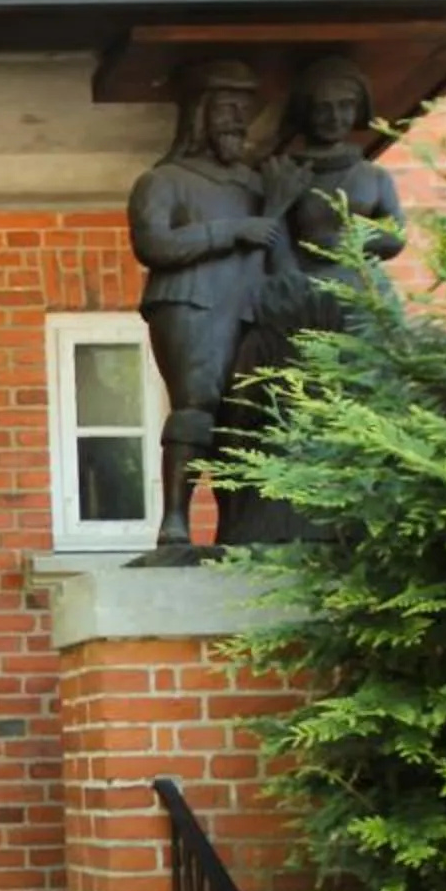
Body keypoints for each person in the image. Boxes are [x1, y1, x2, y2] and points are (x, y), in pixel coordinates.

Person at [214, 52, 407, 545]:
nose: (334, 117)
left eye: (345, 106)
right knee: (284, 392)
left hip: (358, 292)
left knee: (371, 390)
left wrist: (360, 243)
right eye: (323, 107)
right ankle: (282, 508)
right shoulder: (287, 171)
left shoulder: (371, 175)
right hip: (299, 291)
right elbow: (272, 233)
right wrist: (289, 277)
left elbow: (395, 233)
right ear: (305, 110)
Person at [126, 55, 290, 553]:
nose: (237, 120)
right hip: (190, 301)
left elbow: (279, 255)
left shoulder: (258, 185)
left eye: (244, 109)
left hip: (246, 305)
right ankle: (175, 520)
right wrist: (231, 231)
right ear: (199, 114)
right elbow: (154, 244)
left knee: (245, 416)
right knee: (197, 405)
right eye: (225, 108)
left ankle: (236, 522)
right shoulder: (165, 180)